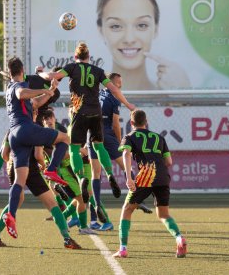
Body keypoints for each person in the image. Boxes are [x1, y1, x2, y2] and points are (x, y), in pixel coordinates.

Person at [38, 42, 135, 205]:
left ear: (75, 57)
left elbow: (51, 77)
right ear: (88, 57)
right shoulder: (98, 71)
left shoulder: (72, 68)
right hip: (96, 113)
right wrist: (128, 105)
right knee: (99, 146)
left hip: (79, 112)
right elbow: (114, 90)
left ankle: (82, 177)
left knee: (74, 148)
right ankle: (110, 174)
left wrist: (41, 73)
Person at [0, 110, 81, 249]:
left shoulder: (12, 128)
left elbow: (4, 155)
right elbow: (38, 155)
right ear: (35, 114)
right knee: (52, 203)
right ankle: (67, 239)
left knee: (15, 202)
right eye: (36, 112)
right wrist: (43, 165)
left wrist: (14, 161)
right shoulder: (35, 129)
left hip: (14, 167)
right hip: (30, 168)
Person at [3, 57, 69, 239]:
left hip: (14, 135)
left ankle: (11, 216)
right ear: (22, 70)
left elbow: (34, 103)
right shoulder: (18, 86)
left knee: (20, 179)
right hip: (26, 129)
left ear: (9, 72)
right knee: (65, 138)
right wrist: (42, 88)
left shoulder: (8, 88)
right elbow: (22, 93)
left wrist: (50, 91)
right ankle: (52, 170)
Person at [0, 65, 62, 196]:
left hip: (22, 123)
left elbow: (14, 78)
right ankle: (53, 180)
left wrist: (0, 72)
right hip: (37, 125)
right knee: (45, 155)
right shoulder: (55, 92)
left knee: (4, 153)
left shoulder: (34, 79)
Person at [113, 109, 187, 258]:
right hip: (163, 177)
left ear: (132, 123)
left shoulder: (130, 136)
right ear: (146, 122)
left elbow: (126, 153)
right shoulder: (159, 137)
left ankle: (123, 248)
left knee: (127, 210)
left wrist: (129, 177)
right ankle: (179, 238)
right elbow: (169, 162)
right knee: (164, 214)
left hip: (146, 176)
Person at [88, 73, 152, 231]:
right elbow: (116, 124)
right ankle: (138, 197)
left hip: (92, 133)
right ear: (110, 85)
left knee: (95, 175)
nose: (119, 88)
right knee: (126, 167)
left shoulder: (97, 95)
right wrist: (118, 142)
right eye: (118, 84)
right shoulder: (113, 98)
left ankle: (95, 217)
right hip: (107, 134)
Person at [96, 0, 190, 90]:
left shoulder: (174, 91)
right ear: (101, 31)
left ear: (156, 29)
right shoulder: (85, 98)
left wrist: (183, 96)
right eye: (116, 26)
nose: (129, 39)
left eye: (142, 25)